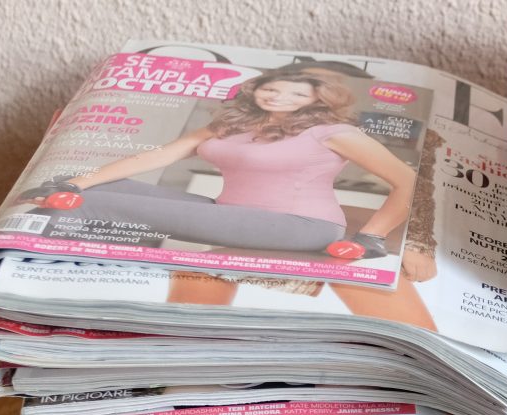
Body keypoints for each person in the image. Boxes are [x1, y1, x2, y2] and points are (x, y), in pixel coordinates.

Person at [162, 61, 441, 330]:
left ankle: (417, 344)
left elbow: (417, 184)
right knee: (200, 269)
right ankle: (184, 341)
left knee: (355, 268)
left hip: (347, 226)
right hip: (274, 226)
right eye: (286, 86)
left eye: (313, 88)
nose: (296, 93)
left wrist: (417, 244)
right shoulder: (256, 124)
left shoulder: (352, 128)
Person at [28, 70, 415, 257]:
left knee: (87, 204)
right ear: (256, 90)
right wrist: (78, 181)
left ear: (317, 99)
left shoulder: (332, 132)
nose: (278, 97)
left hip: (302, 226)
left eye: (296, 94)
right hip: (228, 209)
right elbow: (163, 154)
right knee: (89, 186)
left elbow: (407, 180)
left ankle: (36, 265)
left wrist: (371, 236)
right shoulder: (233, 124)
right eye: (271, 88)